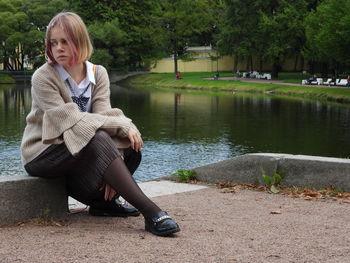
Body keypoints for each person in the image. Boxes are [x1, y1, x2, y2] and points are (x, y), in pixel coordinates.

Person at [20, 12, 180, 237]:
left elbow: (104, 114)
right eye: (53, 43)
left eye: (65, 41)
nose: (58, 48)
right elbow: (72, 121)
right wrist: (122, 124)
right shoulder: (43, 77)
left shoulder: (98, 73)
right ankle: (152, 212)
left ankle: (104, 204)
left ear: (80, 40)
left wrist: (123, 132)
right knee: (102, 136)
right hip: (45, 153)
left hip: (81, 149)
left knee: (131, 144)